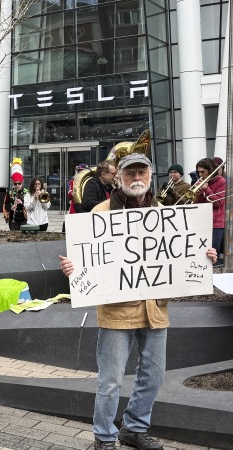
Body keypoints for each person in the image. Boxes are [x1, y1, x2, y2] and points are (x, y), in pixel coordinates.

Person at [59, 153, 218, 450]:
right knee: (111, 381)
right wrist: (73, 267)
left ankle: (133, 428)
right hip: (117, 311)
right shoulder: (101, 213)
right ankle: (104, 437)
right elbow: (86, 259)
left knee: (153, 376)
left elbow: (183, 252)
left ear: (149, 175)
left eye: (141, 172)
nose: (136, 178)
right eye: (130, 173)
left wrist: (204, 256)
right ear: (119, 177)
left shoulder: (165, 212)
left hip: (155, 308)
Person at [194, 158, 225, 266]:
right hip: (202, 223)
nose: (200, 174)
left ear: (211, 170)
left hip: (215, 225)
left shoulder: (222, 182)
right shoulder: (202, 182)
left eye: (203, 172)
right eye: (199, 172)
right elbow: (197, 204)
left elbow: (217, 203)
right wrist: (198, 194)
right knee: (201, 257)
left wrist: (206, 189)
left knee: (212, 259)